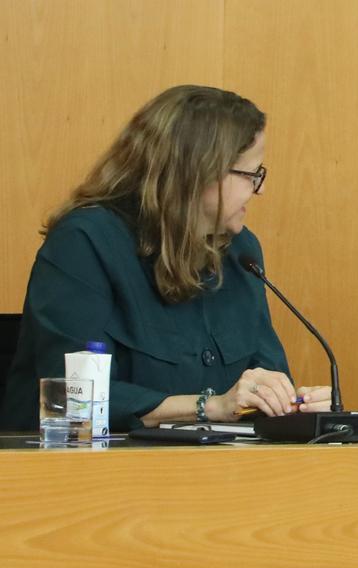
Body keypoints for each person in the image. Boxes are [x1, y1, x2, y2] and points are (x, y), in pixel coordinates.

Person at [0, 85, 331, 432]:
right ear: (197, 173)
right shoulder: (85, 242)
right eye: (252, 175)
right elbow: (70, 399)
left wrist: (289, 404)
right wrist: (209, 407)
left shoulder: (241, 251)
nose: (261, 189)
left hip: (216, 473)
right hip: (90, 473)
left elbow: (261, 377)